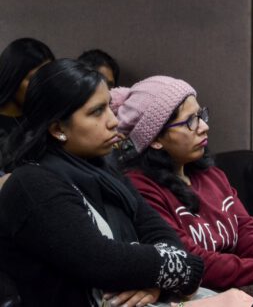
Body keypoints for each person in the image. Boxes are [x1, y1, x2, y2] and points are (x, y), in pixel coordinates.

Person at [0, 59, 204, 307]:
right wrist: (181, 269)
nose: (113, 121)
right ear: (57, 128)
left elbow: (164, 236)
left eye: (109, 106)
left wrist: (155, 284)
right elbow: (104, 262)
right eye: (97, 112)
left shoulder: (107, 173)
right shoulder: (32, 184)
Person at [112, 76, 253, 298]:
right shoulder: (141, 188)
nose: (204, 127)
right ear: (155, 139)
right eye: (190, 121)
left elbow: (248, 234)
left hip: (242, 285)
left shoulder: (210, 174)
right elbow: (191, 258)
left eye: (202, 115)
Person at [0, 37, 54, 187]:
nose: (42, 86)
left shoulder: (46, 119)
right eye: (33, 78)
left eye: (46, 78)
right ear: (13, 77)